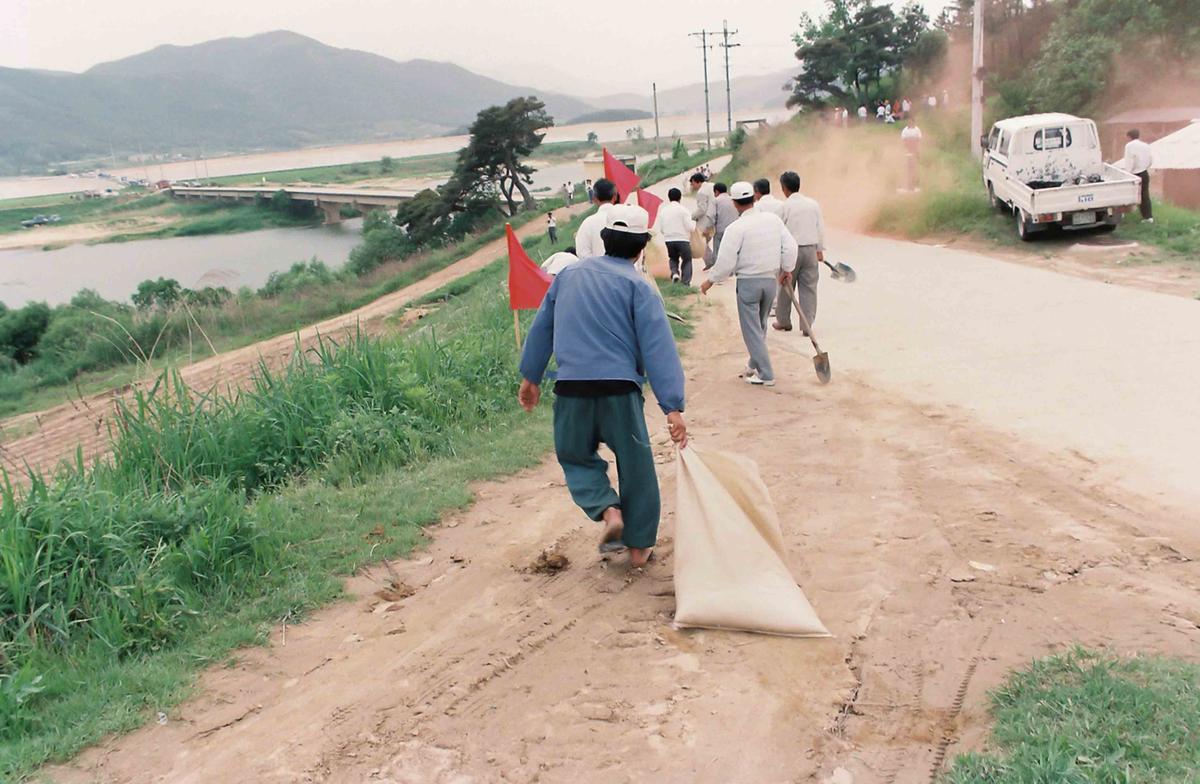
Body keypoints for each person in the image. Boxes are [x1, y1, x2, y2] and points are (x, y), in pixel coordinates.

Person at [519, 204, 688, 568]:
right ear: (642, 247)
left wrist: (530, 376)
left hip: (572, 388)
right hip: (620, 391)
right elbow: (658, 349)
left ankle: (608, 511)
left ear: (604, 238)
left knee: (575, 455)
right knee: (636, 465)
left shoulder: (567, 277)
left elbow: (542, 328)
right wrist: (672, 407)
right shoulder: (638, 287)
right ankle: (639, 548)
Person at [700, 182, 798, 387]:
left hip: (748, 283)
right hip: (770, 281)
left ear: (735, 203)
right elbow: (790, 246)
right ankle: (753, 364)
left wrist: (710, 281)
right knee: (760, 325)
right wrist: (787, 269)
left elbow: (726, 262)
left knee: (751, 329)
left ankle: (766, 373)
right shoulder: (773, 220)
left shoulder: (736, 228)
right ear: (754, 197)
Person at [774, 171, 826, 335]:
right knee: (809, 288)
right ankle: (806, 325)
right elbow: (820, 228)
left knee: (785, 286)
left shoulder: (784, 207)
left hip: (791, 251)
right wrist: (819, 250)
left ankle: (783, 321)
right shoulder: (813, 204)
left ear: (784, 188)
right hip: (810, 250)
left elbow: (778, 231)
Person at [658, 187, 696, 284]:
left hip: (669, 240)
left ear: (669, 197)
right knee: (687, 260)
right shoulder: (683, 210)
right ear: (680, 198)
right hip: (682, 239)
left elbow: (662, 229)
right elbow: (690, 227)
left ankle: (675, 273)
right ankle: (685, 283)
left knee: (673, 258)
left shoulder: (664, 211)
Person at [575, 178, 620, 259]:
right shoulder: (625, 218)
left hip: (597, 270)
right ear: (615, 197)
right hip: (625, 270)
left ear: (594, 198)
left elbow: (582, 254)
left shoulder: (588, 223)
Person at [1123, 128, 1154, 223]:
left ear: (1129, 137)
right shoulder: (1146, 146)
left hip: (1134, 174)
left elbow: (1129, 161)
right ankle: (1148, 217)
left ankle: (1124, 213)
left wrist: (1127, 173)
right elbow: (1150, 160)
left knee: (1129, 195)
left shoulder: (1129, 146)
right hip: (1144, 172)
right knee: (1145, 195)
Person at [711, 182, 740, 263]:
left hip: (721, 230)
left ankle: (718, 266)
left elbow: (712, 216)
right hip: (734, 229)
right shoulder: (733, 199)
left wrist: (710, 227)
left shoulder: (716, 201)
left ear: (716, 191)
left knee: (718, 250)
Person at [901, 117, 923, 192]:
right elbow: (904, 140)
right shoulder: (905, 130)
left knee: (915, 168)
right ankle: (908, 185)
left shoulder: (917, 130)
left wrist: (916, 149)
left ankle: (915, 184)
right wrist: (907, 147)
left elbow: (919, 140)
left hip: (915, 150)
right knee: (908, 168)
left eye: (911, 122)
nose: (909, 123)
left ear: (913, 122)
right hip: (908, 151)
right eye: (908, 122)